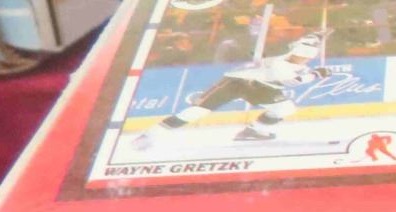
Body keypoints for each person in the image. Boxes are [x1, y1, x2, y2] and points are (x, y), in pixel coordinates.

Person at [135, 33, 332, 148]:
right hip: (239, 82)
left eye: (307, 57)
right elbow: (291, 82)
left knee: (285, 108)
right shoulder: (282, 64)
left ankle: (254, 131)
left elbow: (297, 52)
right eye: (305, 57)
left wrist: (315, 37)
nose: (306, 60)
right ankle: (150, 135)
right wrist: (315, 74)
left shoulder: (289, 58)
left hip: (261, 86)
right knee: (197, 111)